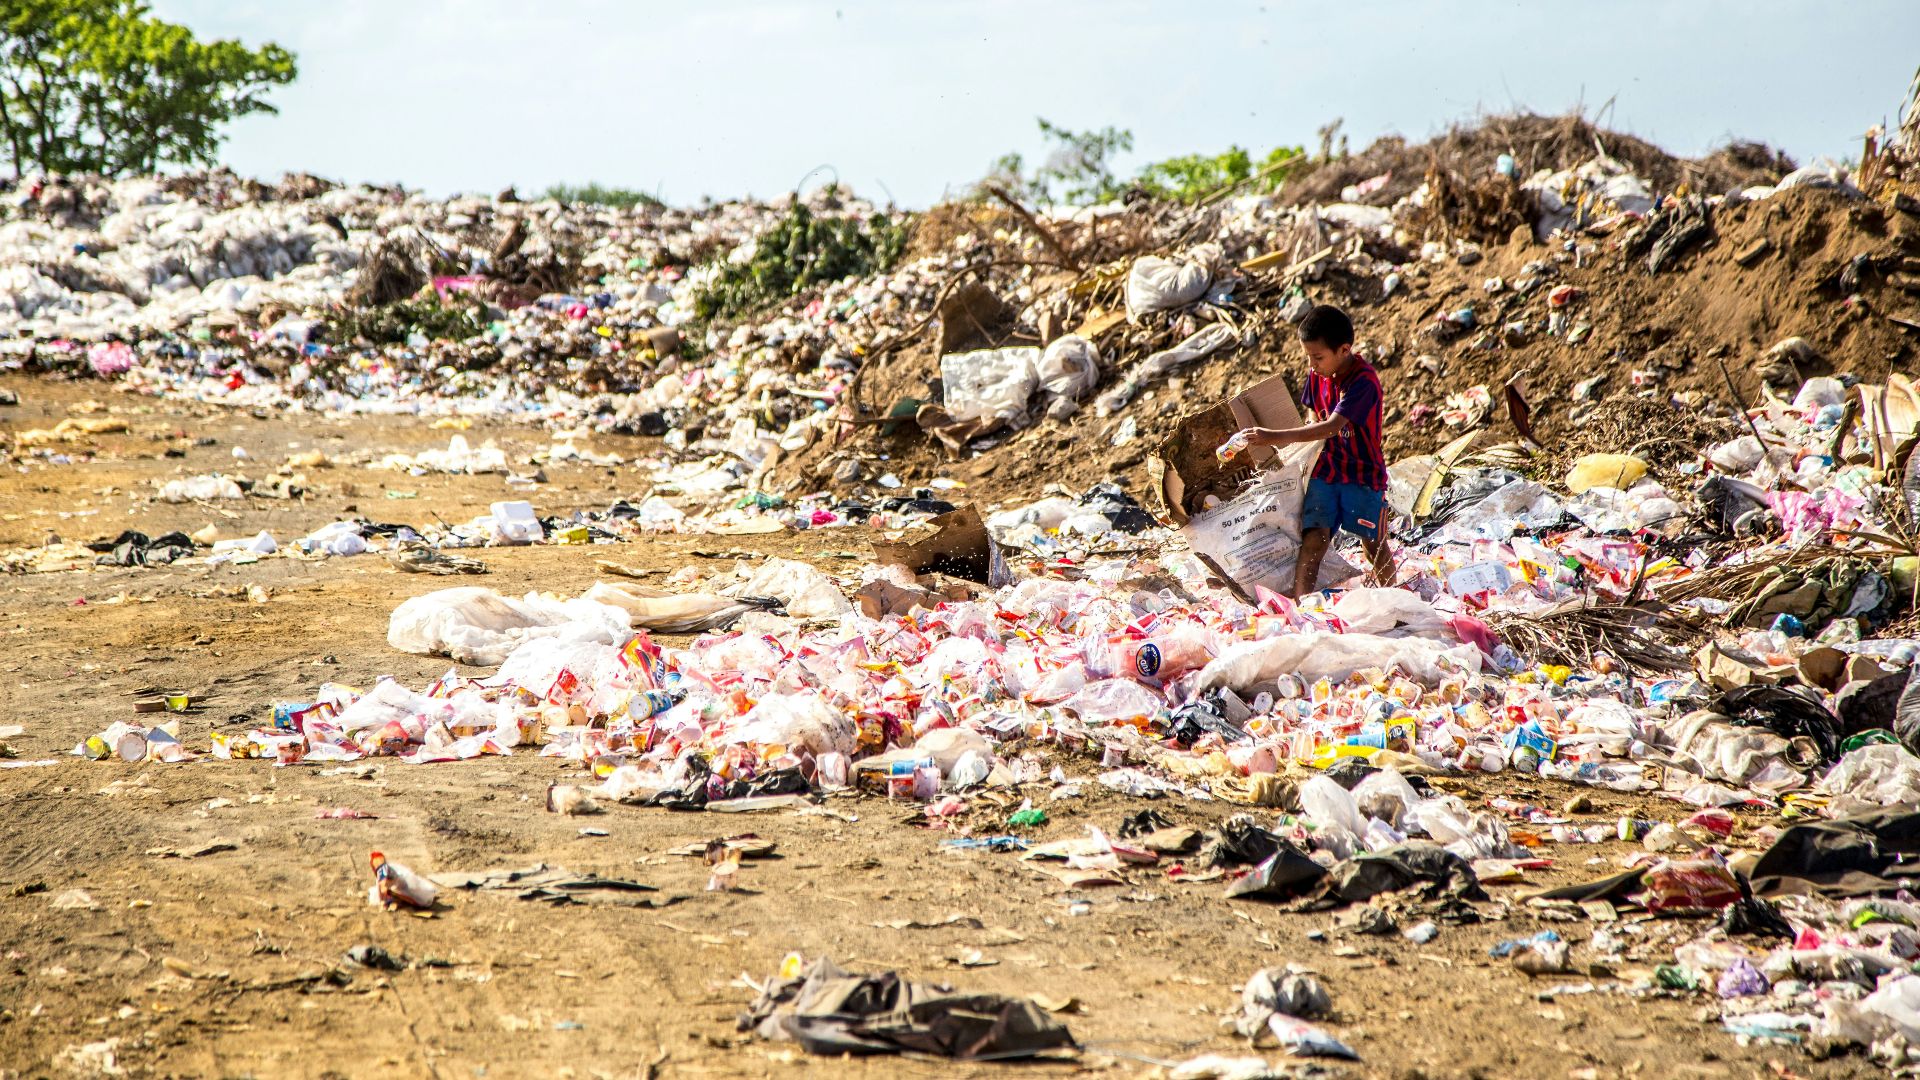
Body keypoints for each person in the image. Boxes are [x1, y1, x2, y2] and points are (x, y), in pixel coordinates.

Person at [1220, 304, 1392, 597]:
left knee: (1372, 541)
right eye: (1308, 357)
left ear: (1344, 350)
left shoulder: (1364, 383)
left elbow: (1330, 427)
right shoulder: (1318, 375)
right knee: (1314, 537)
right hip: (1325, 470)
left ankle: (1393, 595)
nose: (1312, 364)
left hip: (1361, 473)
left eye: (1318, 357)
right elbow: (1313, 415)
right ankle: (1301, 607)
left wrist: (1271, 436)